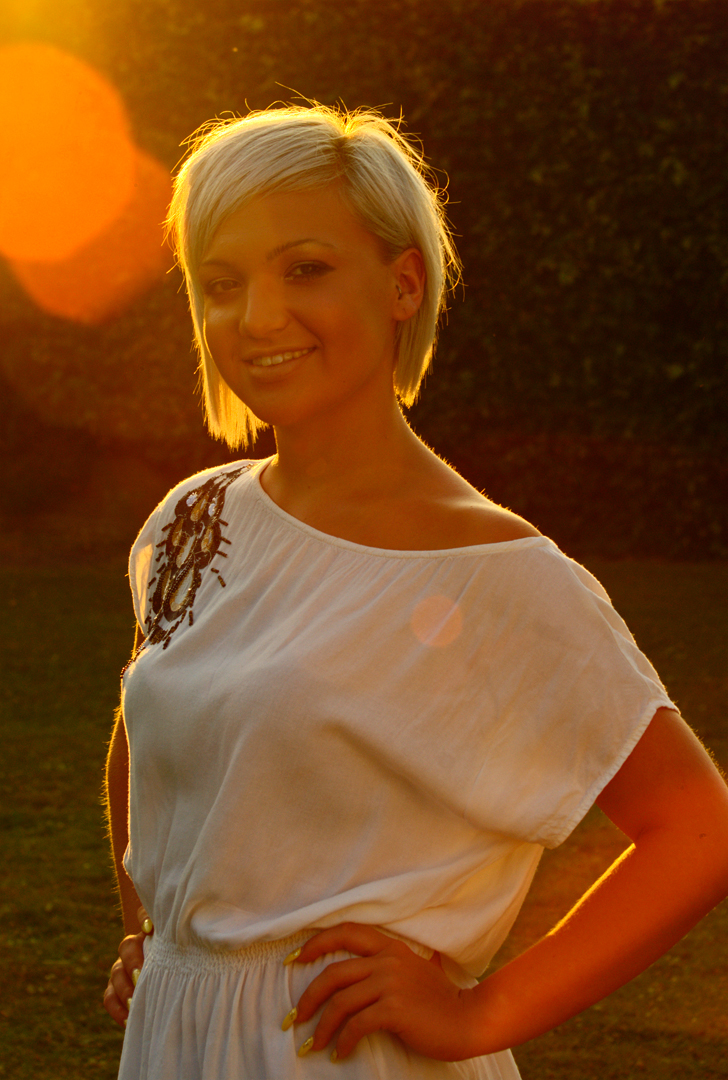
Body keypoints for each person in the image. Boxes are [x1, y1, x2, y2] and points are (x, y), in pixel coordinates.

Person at [103, 104, 728, 1080]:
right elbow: (148, 721)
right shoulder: (193, 516)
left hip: (338, 1052)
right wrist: (159, 933)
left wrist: (483, 1013)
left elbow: (697, 829)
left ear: (403, 283)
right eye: (222, 284)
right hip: (175, 1042)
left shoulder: (493, 570)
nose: (258, 317)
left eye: (305, 268)